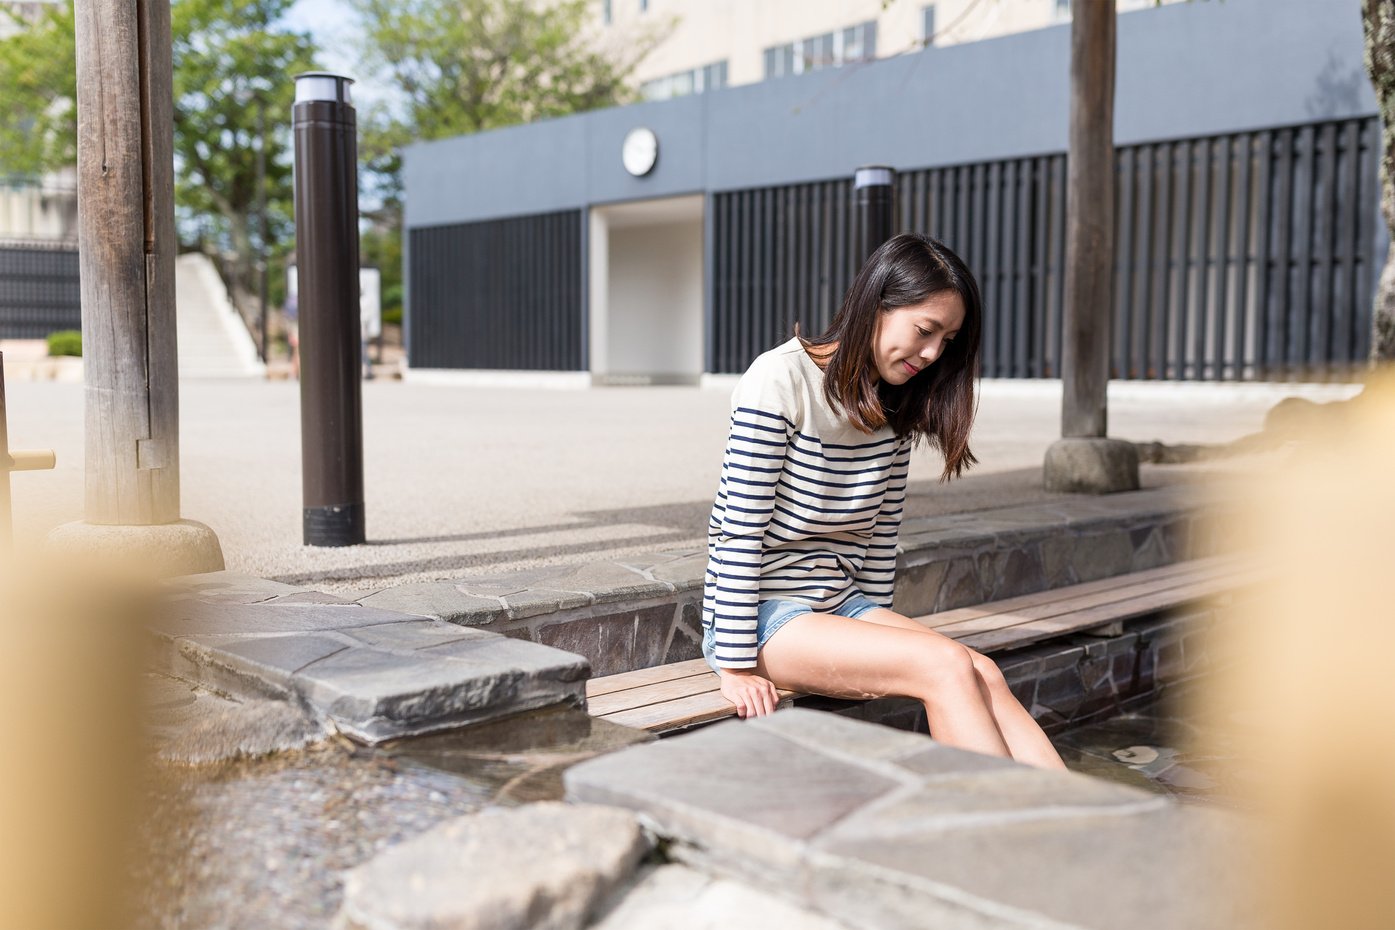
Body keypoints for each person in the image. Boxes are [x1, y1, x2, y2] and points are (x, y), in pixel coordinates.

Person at [701, 232, 1066, 770]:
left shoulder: (894, 406)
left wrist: (876, 646)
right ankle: (998, 842)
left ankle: (1084, 827)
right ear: (877, 304)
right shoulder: (779, 380)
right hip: (762, 618)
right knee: (942, 664)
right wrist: (735, 667)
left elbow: (877, 540)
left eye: (947, 340)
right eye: (925, 330)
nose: (933, 353)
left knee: (981, 670)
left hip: (839, 606)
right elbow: (739, 531)